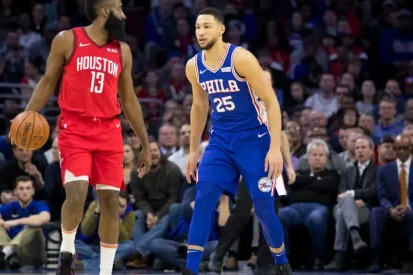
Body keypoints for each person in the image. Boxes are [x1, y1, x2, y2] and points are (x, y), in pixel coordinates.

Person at [18, 0, 152, 274]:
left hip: (109, 131)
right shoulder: (68, 39)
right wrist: (27, 115)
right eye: (120, 8)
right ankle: (67, 251)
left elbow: (128, 99)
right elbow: (46, 81)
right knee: (77, 194)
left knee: (111, 203)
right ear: (105, 12)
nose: (125, 15)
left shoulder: (122, 51)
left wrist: (145, 145)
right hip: (75, 128)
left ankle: (105, 271)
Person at [184, 7, 292, 275]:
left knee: (264, 210)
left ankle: (281, 263)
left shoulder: (241, 59)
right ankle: (190, 269)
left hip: (254, 139)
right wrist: (193, 151)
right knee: (205, 195)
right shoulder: (193, 65)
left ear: (221, 29)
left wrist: (275, 148)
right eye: (197, 27)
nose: (200, 32)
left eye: (207, 26)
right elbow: (199, 108)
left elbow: (271, 103)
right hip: (220, 140)